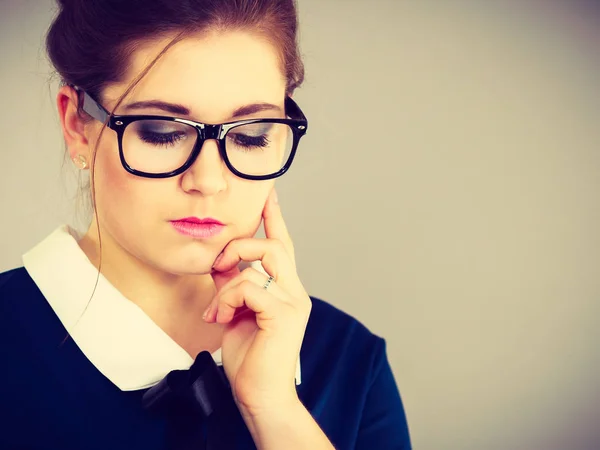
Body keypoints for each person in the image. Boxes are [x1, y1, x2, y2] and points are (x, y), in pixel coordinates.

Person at [0, 0, 411, 448]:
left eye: (251, 134)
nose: (209, 181)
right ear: (78, 124)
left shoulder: (350, 359)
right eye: (161, 131)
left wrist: (274, 410)